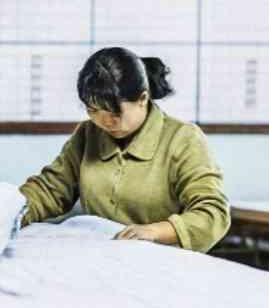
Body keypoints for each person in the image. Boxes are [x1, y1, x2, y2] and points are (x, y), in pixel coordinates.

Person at [19, 46, 230, 252]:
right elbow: (50, 190)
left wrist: (155, 231)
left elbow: (213, 213)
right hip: (105, 256)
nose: (105, 122)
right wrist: (7, 209)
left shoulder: (183, 138)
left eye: (115, 113)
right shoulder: (88, 133)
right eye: (93, 111)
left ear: (143, 98)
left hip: (163, 260)